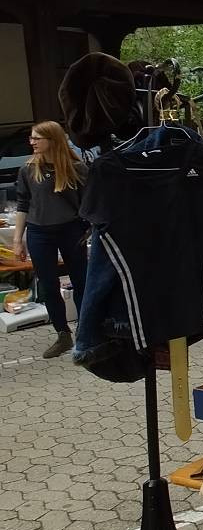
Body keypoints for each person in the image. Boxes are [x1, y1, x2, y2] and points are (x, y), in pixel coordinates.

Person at [12, 121, 89, 358]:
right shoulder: (28, 169)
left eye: (37, 138)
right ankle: (62, 334)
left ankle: (86, 332)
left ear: (52, 140)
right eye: (31, 138)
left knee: (81, 281)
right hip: (39, 232)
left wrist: (89, 231)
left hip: (71, 230)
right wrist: (17, 239)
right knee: (48, 284)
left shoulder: (77, 168)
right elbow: (22, 204)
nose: (32, 142)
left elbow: (87, 204)